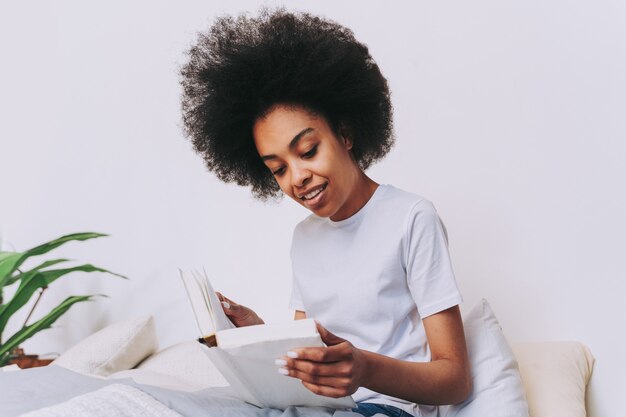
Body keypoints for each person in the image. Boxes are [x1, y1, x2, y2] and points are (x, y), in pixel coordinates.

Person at [180, 7, 471, 417]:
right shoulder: (305, 236)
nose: (297, 177)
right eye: (278, 168)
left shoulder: (411, 218)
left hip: (387, 409)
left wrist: (364, 367)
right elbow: (310, 347)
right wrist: (257, 333)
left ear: (346, 134)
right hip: (319, 408)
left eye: (308, 150)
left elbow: (455, 379)